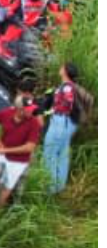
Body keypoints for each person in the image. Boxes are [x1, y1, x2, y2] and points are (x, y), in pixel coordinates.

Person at [40, 63, 91, 196]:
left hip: (60, 122)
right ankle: (59, 186)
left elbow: (66, 105)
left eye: (62, 67)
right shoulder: (69, 86)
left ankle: (49, 188)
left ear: (66, 72)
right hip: (67, 123)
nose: (60, 68)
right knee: (62, 154)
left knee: (50, 153)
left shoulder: (67, 87)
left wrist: (49, 111)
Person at [0, 90, 41, 211]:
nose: (31, 111)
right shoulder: (6, 113)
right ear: (19, 109)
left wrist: (6, 150)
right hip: (1, 153)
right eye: (28, 109)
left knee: (8, 186)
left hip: (19, 159)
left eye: (32, 108)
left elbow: (29, 147)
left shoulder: (34, 122)